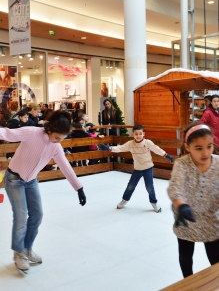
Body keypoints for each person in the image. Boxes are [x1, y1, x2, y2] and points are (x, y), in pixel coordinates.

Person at [3, 110, 86, 272]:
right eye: (57, 138)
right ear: (49, 130)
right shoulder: (31, 132)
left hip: (31, 180)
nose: (58, 142)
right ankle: (18, 253)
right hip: (14, 180)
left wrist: (79, 187)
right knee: (20, 217)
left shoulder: (56, 146)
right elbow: (6, 133)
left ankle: (27, 248)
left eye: (62, 139)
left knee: (38, 214)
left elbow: (65, 166)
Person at [168, 123, 219, 278]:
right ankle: (188, 282)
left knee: (216, 261)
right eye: (199, 148)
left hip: (211, 220)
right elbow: (175, 187)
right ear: (187, 147)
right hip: (186, 219)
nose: (205, 153)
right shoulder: (182, 164)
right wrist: (181, 206)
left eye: (209, 146)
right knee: (185, 256)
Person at [98, 124, 174, 212]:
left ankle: (154, 202)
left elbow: (157, 149)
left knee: (149, 187)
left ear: (143, 134)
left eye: (140, 134)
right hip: (137, 169)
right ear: (133, 134)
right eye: (136, 134)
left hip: (148, 168)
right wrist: (109, 148)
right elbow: (120, 148)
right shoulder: (130, 144)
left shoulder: (147, 142)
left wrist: (166, 155)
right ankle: (124, 200)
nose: (138, 136)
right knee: (130, 186)